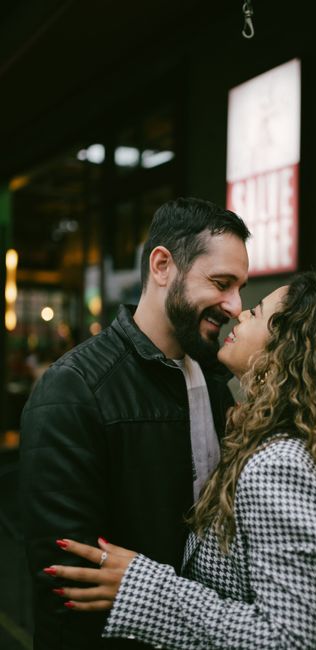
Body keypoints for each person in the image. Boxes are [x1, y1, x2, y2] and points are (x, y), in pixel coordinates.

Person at [46, 273, 316, 649]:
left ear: (286, 349)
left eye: (256, 313)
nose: (239, 313)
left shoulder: (280, 465)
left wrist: (143, 588)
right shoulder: (281, 440)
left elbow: (288, 639)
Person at [19, 197, 250, 650]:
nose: (236, 305)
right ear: (162, 266)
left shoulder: (212, 380)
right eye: (222, 283)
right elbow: (70, 588)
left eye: (240, 287)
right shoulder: (75, 389)